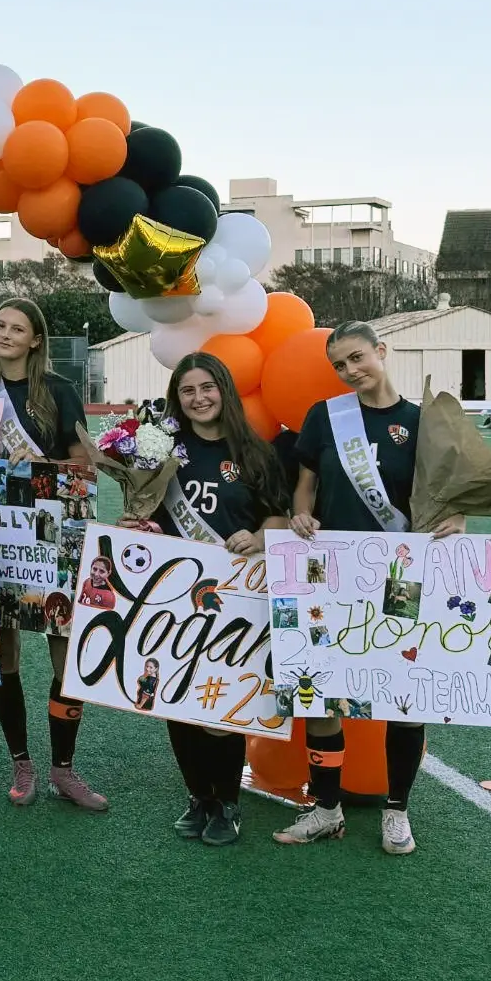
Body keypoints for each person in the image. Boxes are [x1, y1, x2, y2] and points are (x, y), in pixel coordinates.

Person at [277, 321, 465, 856]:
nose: (351, 371)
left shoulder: (421, 420)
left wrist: (459, 520)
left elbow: (445, 493)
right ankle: (328, 808)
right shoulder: (326, 417)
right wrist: (300, 514)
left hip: (400, 576)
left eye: (358, 358)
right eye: (340, 365)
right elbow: (305, 483)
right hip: (329, 574)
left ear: (382, 352)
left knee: (405, 696)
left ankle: (397, 810)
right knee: (319, 696)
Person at [124, 351, 291, 847]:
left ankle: (228, 803)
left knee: (222, 702)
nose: (198, 398)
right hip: (173, 593)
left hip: (235, 597)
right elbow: (144, 511)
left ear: (224, 390)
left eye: (206, 388)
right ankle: (198, 796)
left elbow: (279, 516)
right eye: (187, 391)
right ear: (177, 398)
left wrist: (261, 537)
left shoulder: (256, 453)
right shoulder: (160, 450)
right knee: (177, 696)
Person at [0, 299, 103, 811]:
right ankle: (21, 761)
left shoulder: (59, 391)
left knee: (65, 649)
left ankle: (63, 768)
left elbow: (86, 464)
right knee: (4, 650)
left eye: (17, 328)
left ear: (36, 340)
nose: (4, 333)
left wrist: (41, 462)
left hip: (53, 533)